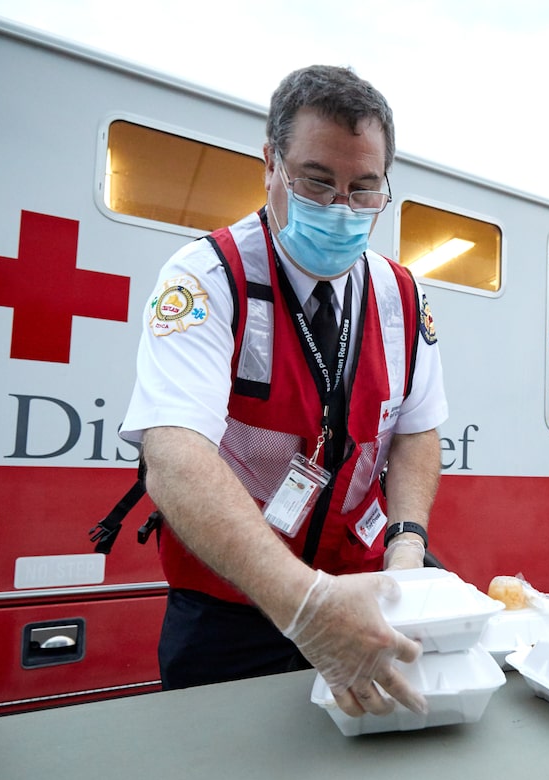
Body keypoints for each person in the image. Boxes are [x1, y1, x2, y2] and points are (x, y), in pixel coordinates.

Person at [120, 65, 447, 720]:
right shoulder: (207, 278)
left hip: (363, 591)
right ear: (270, 162)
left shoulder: (401, 296)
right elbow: (176, 457)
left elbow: (417, 431)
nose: (341, 209)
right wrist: (304, 606)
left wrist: (407, 542)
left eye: (364, 189)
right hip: (230, 607)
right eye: (317, 181)